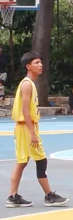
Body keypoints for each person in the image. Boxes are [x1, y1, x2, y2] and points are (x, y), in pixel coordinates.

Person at [6, 52, 68, 208]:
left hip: (23, 127)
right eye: (37, 63)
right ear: (28, 66)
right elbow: (25, 110)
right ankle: (49, 196)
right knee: (41, 160)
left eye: (41, 62)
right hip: (26, 127)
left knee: (22, 161)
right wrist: (32, 132)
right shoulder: (27, 84)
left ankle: (12, 196)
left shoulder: (28, 83)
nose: (40, 65)